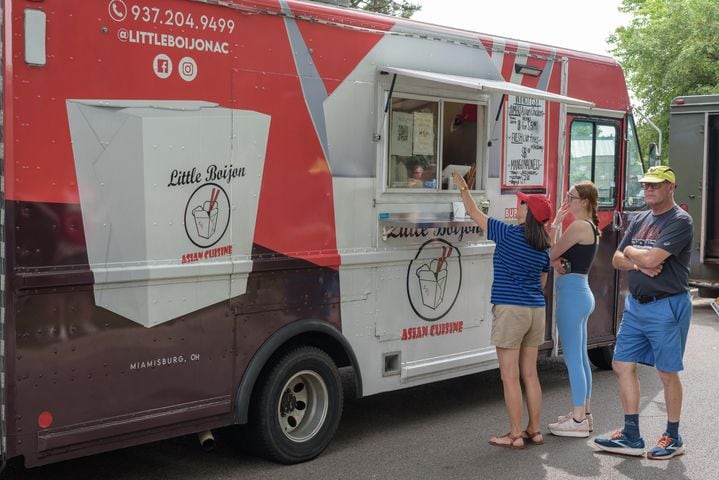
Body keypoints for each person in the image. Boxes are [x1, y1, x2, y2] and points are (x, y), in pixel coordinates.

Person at [594, 165, 693, 459]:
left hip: (667, 305)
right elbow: (615, 258)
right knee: (621, 364)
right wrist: (639, 263)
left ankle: (673, 437)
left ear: (670, 187)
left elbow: (650, 256)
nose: (648, 189)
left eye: (655, 185)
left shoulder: (680, 221)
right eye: (646, 185)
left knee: (666, 373)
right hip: (636, 305)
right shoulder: (639, 218)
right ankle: (631, 435)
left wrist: (635, 253)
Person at [452, 171, 552, 449]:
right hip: (535, 311)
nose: (517, 206)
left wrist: (463, 189)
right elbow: (542, 283)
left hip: (511, 310)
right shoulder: (544, 246)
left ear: (527, 213)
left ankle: (515, 434)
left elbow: (473, 212)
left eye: (521, 204)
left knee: (509, 375)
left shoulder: (507, 234)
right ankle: (535, 430)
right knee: (530, 374)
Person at [546, 181, 600, 438]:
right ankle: (584, 413)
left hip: (571, 296)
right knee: (580, 358)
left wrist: (555, 226)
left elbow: (551, 251)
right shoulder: (589, 226)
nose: (567, 199)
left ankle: (578, 419)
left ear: (585, 201)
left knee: (572, 359)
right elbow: (556, 254)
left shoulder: (579, 225)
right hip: (581, 292)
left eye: (572, 196)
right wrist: (558, 224)